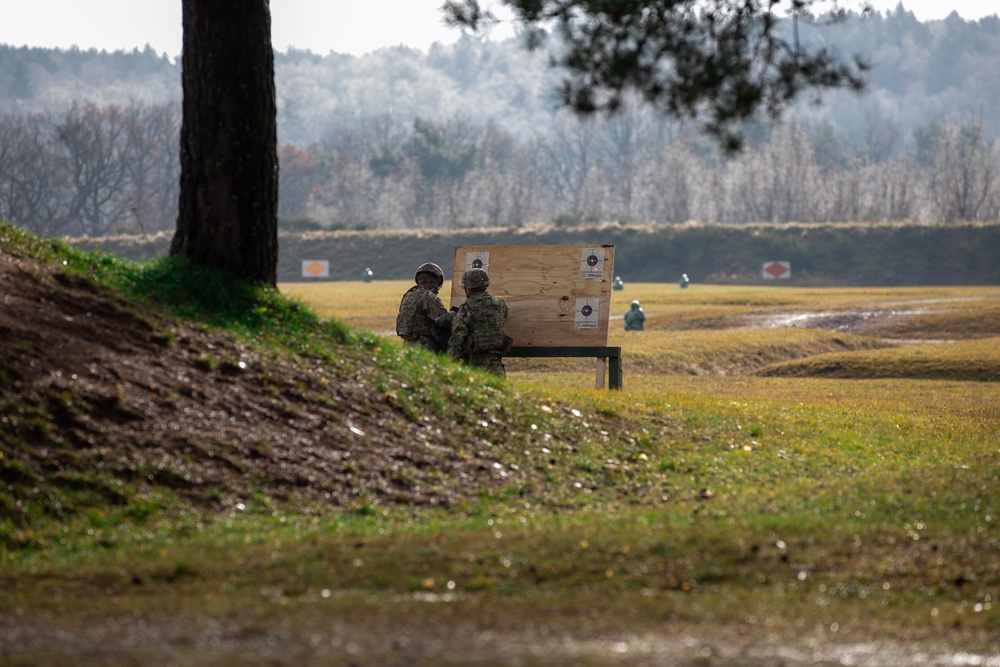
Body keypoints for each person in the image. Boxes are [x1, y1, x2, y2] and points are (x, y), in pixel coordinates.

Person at [448, 268, 511, 377]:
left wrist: (450, 366)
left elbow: (457, 338)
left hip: (474, 367)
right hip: (496, 367)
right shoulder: (499, 304)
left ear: (468, 287)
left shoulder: (466, 308)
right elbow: (502, 319)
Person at [396, 262, 453, 353]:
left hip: (408, 346)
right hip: (425, 346)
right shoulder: (427, 296)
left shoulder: (408, 296)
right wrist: (454, 313)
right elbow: (444, 320)